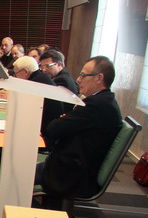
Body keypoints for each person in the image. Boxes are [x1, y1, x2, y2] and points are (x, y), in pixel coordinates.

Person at [37, 56, 123, 200]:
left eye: (83, 75)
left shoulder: (96, 105)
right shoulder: (105, 100)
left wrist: (64, 120)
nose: (78, 79)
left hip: (69, 173)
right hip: (72, 164)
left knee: (12, 178)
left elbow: (53, 130)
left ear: (99, 78)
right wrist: (65, 120)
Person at [11, 56, 63, 133]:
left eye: (16, 74)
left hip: (45, 129)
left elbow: (24, 107)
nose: (15, 77)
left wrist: (12, 96)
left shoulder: (36, 83)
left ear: (25, 72)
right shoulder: (40, 77)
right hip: (45, 124)